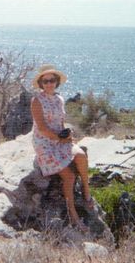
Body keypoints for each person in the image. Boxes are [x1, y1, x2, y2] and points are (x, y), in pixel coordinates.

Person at [31, 64, 94, 232]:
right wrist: (59, 138)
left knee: (80, 155)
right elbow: (43, 128)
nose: (49, 84)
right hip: (45, 143)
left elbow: (59, 123)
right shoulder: (37, 101)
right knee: (69, 176)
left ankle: (87, 192)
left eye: (52, 80)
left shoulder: (59, 99)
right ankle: (74, 217)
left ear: (57, 82)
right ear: (41, 83)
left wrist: (67, 134)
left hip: (60, 139)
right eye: (45, 81)